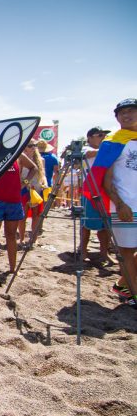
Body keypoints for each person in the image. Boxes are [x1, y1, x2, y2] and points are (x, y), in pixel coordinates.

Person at [86, 98, 137, 309]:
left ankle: (122, 284)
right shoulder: (113, 142)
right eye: (122, 112)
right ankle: (134, 294)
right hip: (124, 204)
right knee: (127, 252)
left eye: (131, 110)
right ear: (117, 118)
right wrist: (119, 202)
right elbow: (104, 178)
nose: (127, 115)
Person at [0, 152, 37, 277]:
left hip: (14, 201)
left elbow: (34, 168)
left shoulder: (18, 153)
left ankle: (12, 268)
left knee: (11, 235)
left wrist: (25, 182)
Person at [81, 127, 115, 265]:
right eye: (100, 135)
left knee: (105, 224)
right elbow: (87, 154)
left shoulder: (106, 151)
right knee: (86, 223)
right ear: (89, 138)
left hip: (106, 190)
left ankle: (104, 252)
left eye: (105, 135)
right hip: (90, 190)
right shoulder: (85, 149)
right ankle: (83, 251)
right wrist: (111, 148)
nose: (103, 137)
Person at [18, 140, 47, 245]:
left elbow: (43, 175)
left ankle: (34, 238)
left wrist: (45, 186)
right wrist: (23, 184)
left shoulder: (41, 160)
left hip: (37, 189)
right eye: (31, 145)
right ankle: (21, 238)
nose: (34, 147)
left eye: (35, 145)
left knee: (36, 216)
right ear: (25, 147)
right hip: (25, 189)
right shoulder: (21, 158)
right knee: (22, 216)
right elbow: (19, 174)